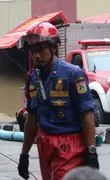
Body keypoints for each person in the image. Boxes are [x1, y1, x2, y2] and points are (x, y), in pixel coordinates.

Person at [17, 21, 99, 180]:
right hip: (44, 143)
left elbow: (87, 115)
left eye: (41, 50)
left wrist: (91, 152)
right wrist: (24, 155)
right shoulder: (32, 78)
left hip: (69, 146)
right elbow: (32, 117)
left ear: (54, 48)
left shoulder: (74, 75)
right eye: (33, 51)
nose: (37, 56)